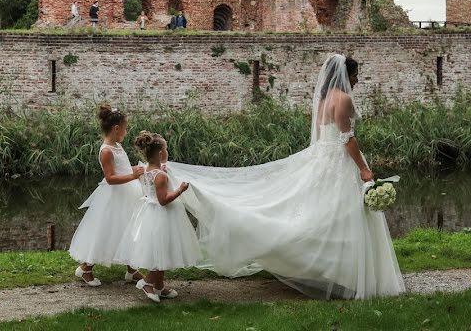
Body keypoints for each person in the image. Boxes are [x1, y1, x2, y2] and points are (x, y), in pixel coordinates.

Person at [168, 55, 405, 300]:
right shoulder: (343, 99)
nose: (357, 80)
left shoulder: (324, 99)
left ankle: (334, 269)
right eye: (355, 75)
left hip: (323, 158)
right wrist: (364, 170)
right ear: (346, 75)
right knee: (340, 215)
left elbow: (320, 133)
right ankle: (344, 271)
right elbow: (347, 139)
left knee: (324, 215)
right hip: (339, 162)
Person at [115, 132, 198, 303]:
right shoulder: (160, 176)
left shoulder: (144, 169)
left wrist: (161, 170)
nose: (167, 151)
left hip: (148, 213)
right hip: (161, 215)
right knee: (163, 250)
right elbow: (163, 200)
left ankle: (159, 287)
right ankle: (147, 282)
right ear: (161, 154)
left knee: (161, 251)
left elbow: (151, 184)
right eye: (166, 149)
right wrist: (180, 190)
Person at [69, 105, 146, 287]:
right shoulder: (106, 151)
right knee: (105, 232)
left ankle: (131, 269)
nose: (126, 132)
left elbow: (123, 169)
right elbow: (111, 178)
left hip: (127, 194)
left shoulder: (117, 146)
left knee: (129, 229)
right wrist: (133, 175)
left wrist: (136, 170)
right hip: (114, 197)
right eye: (125, 128)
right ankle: (85, 269)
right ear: (116, 128)